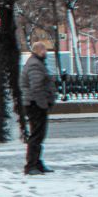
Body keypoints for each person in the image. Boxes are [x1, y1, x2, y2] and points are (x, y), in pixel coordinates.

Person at [22, 41, 57, 175]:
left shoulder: (36, 63)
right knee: (36, 135)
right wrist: (44, 104)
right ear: (37, 50)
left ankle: (37, 162)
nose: (45, 52)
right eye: (43, 49)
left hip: (35, 103)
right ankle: (31, 165)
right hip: (35, 104)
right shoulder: (35, 65)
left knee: (38, 135)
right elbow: (36, 87)